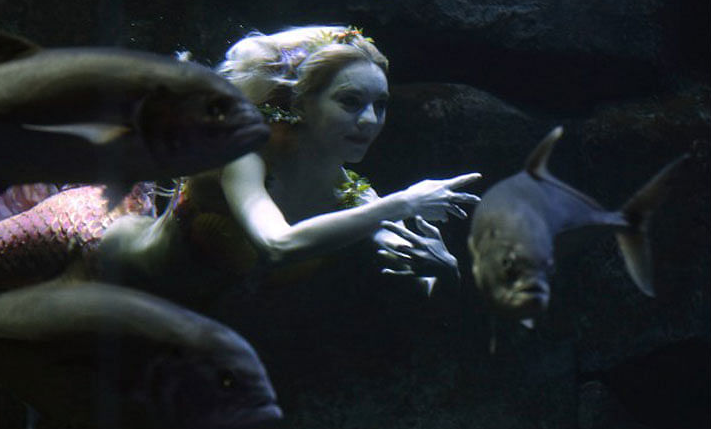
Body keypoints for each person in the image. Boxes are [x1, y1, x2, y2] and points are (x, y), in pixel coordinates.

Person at [97, 25, 481, 307]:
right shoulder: (244, 154)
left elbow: (425, 287)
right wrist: (403, 203)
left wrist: (445, 271)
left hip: (166, 320)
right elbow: (277, 245)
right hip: (98, 262)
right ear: (300, 105)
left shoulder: (354, 196)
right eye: (351, 102)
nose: (370, 120)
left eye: (380, 105)